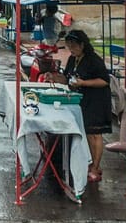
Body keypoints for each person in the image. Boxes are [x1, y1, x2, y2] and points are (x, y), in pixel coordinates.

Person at [44, 29, 112, 183]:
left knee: (96, 134)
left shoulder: (93, 60)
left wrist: (84, 83)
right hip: (83, 99)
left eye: (74, 46)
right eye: (69, 46)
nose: (71, 49)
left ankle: (95, 167)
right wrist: (53, 76)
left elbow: (104, 80)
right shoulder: (73, 60)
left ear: (82, 45)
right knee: (87, 132)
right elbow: (67, 79)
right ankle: (92, 164)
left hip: (97, 99)